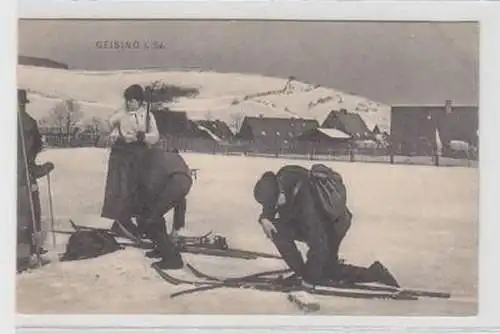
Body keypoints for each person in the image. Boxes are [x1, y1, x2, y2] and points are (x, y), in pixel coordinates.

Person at [253, 164, 399, 287]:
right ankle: (303, 272)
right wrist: (265, 219)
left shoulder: (305, 201)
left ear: (281, 192)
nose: (276, 206)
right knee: (276, 229)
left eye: (276, 202)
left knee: (326, 269)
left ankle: (375, 274)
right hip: (314, 224)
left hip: (333, 225)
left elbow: (318, 242)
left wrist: (309, 279)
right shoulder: (280, 184)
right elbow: (270, 209)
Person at [101, 84, 160, 240]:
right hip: (121, 155)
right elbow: (109, 124)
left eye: (132, 100)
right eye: (127, 100)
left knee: (138, 189)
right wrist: (115, 133)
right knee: (121, 188)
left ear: (140, 101)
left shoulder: (148, 116)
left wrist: (144, 137)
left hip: (139, 155)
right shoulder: (121, 115)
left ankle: (139, 222)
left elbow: (155, 136)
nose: (129, 103)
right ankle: (121, 221)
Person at [136, 147, 193, 269]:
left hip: (173, 182)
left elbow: (151, 187)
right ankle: (162, 247)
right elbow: (180, 199)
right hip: (186, 182)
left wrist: (144, 216)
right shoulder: (172, 156)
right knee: (156, 215)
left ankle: (172, 259)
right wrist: (177, 226)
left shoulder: (151, 160)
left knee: (150, 218)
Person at [17, 88, 54, 267]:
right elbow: (34, 149)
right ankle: (25, 255)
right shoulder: (29, 123)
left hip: (21, 173)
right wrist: (42, 168)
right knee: (28, 214)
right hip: (24, 176)